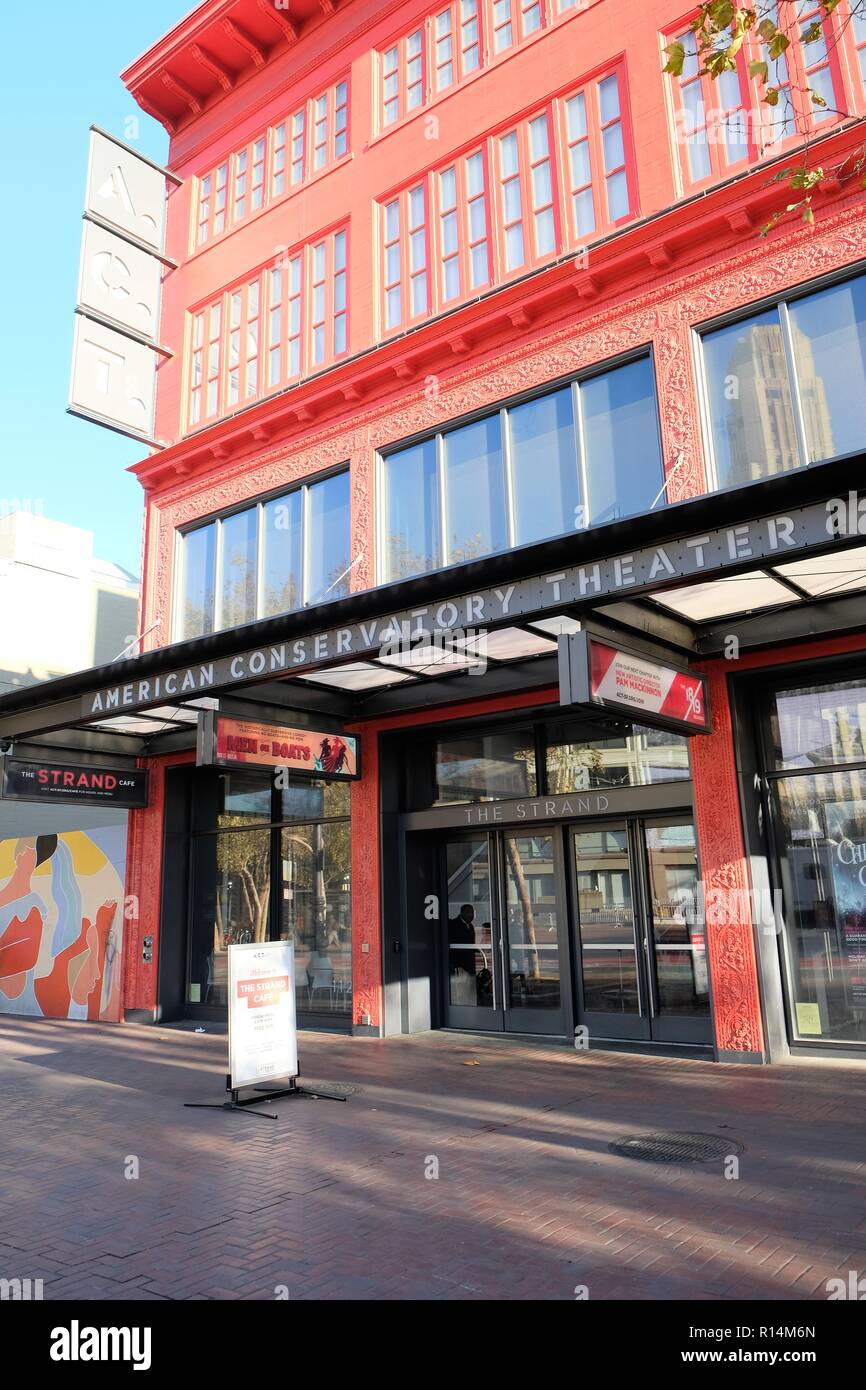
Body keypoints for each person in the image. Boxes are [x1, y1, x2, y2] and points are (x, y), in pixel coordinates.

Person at [448, 903, 477, 997]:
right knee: (461, 991)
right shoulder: (454, 924)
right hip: (459, 964)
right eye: (468, 912)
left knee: (470, 989)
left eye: (472, 912)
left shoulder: (470, 926)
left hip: (469, 963)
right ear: (461, 913)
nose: (470, 915)